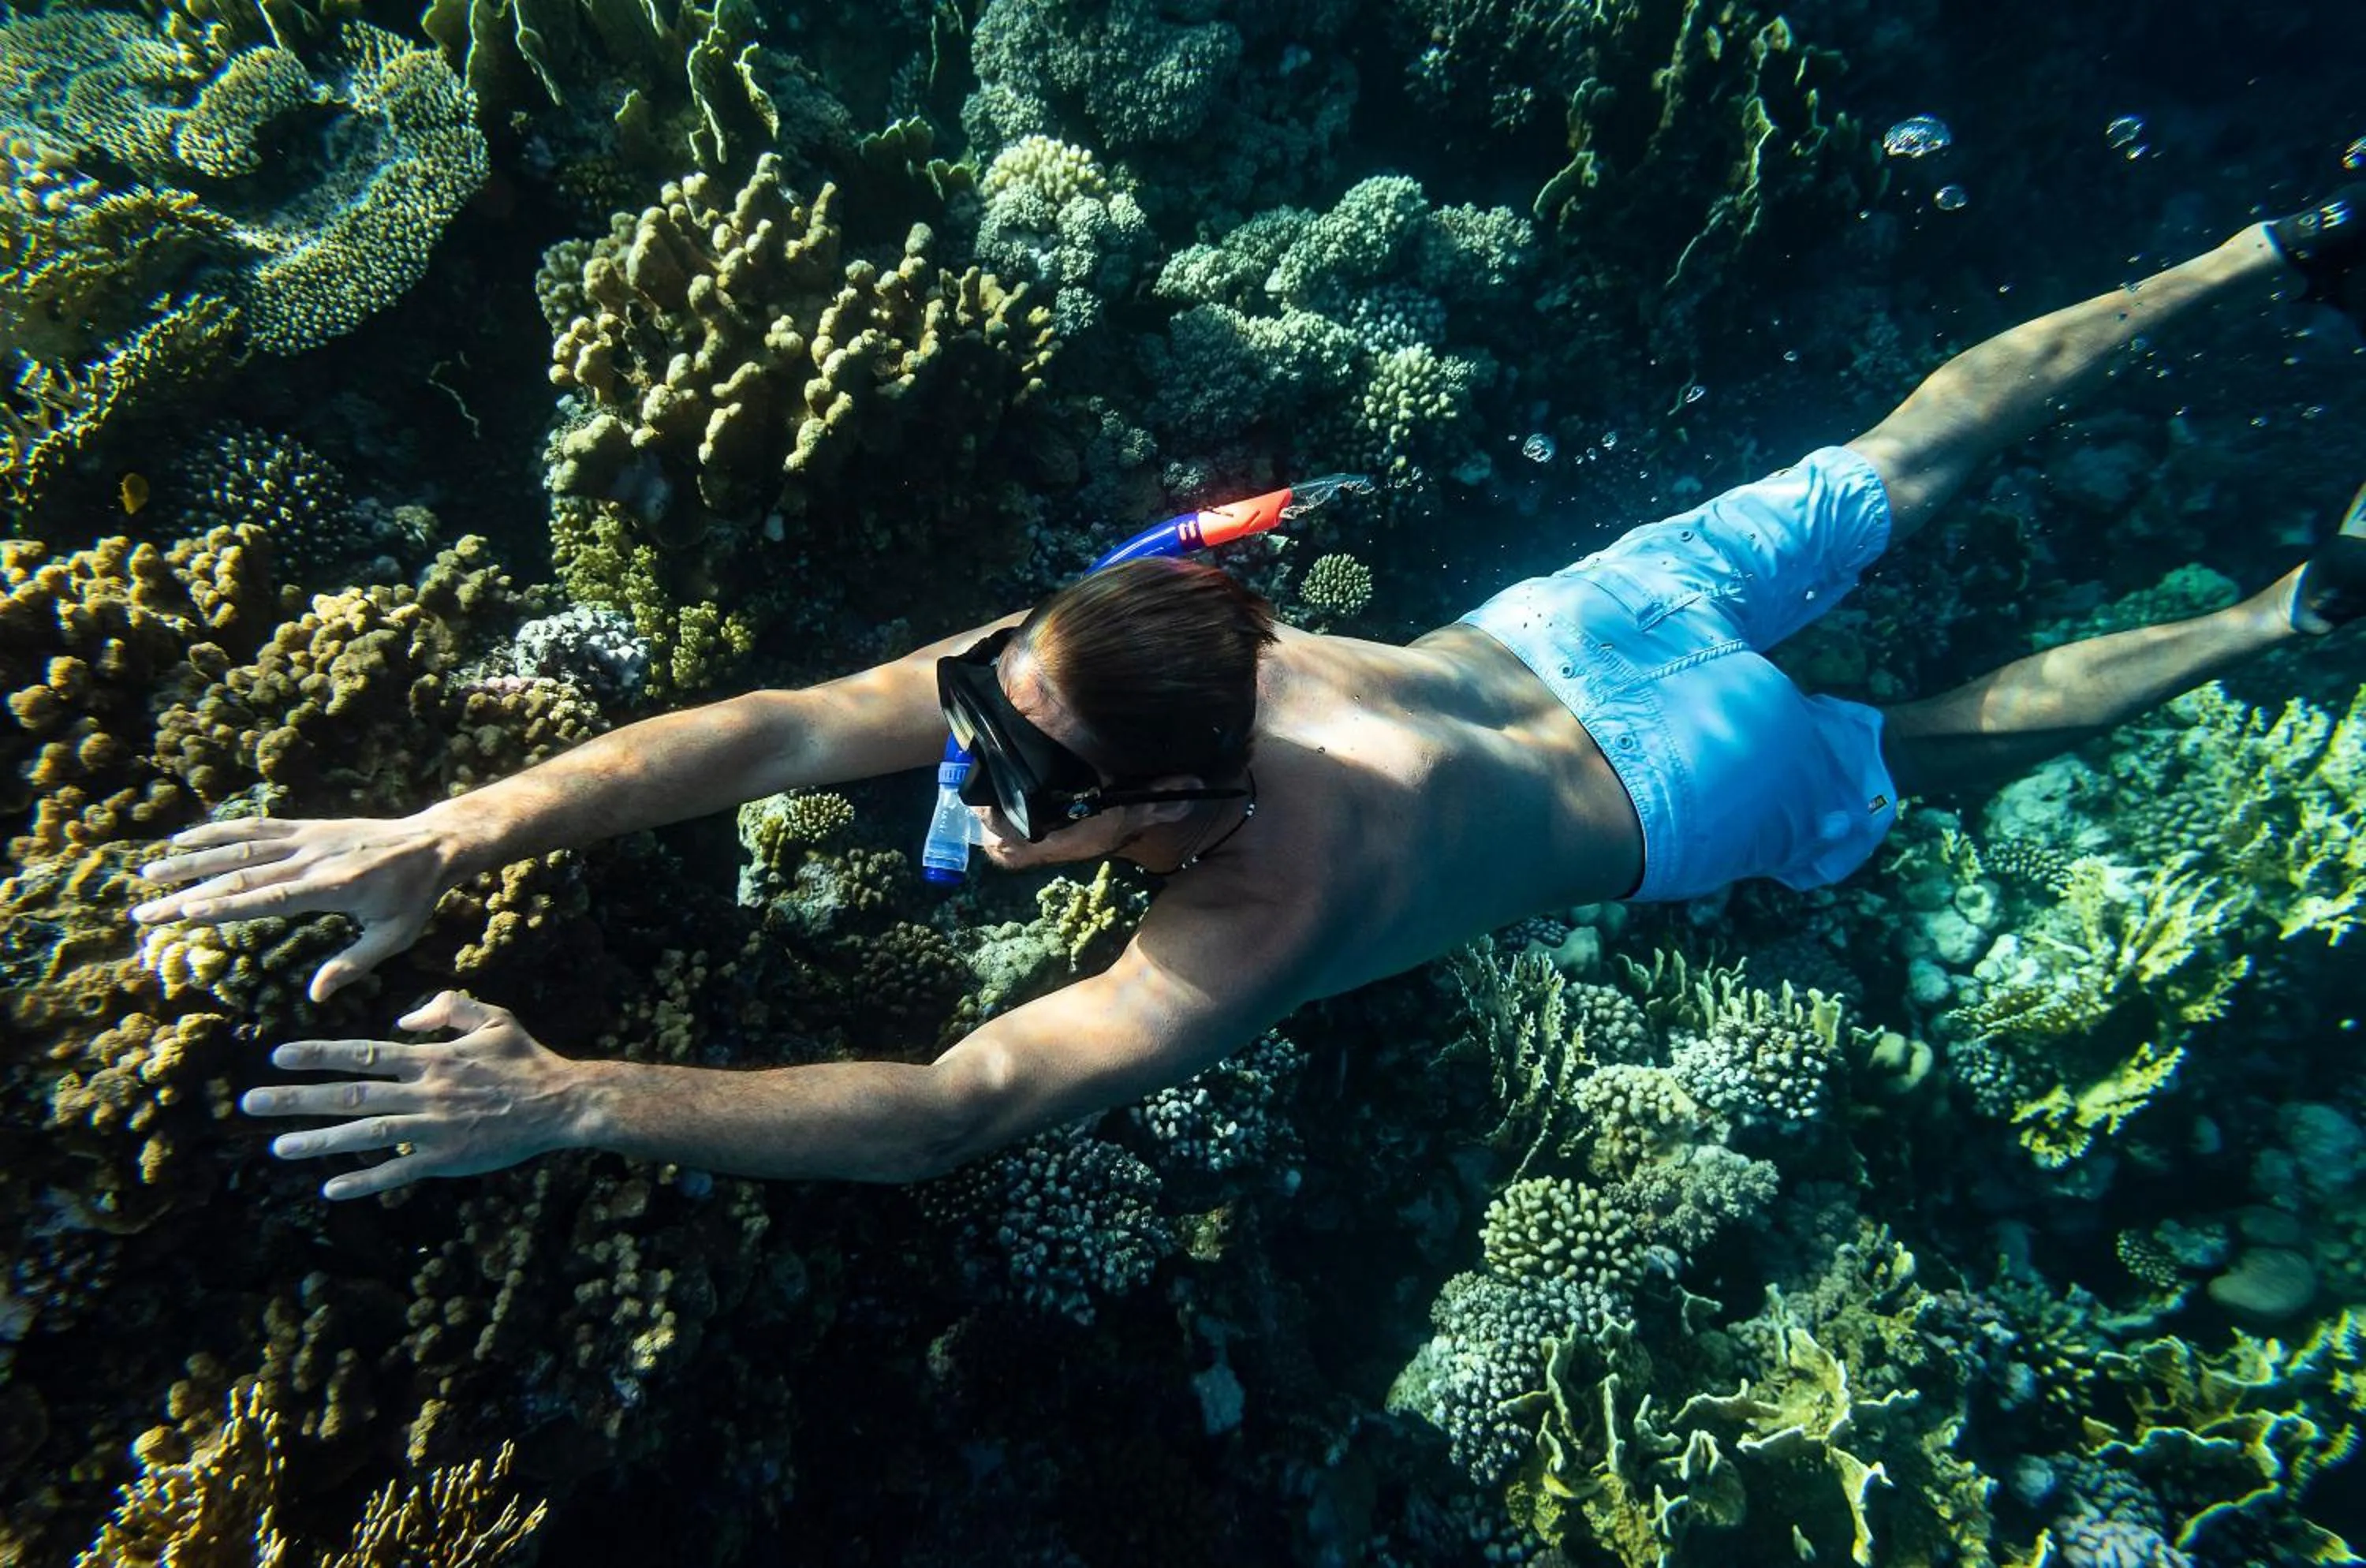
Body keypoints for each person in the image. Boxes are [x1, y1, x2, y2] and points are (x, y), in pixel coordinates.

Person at [132, 192, 2366, 1203]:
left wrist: (576, 1092)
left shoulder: (1259, 912)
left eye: (1020, 785)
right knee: (1895, 460)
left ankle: (2278, 617)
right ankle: (2273, 243)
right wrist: (455, 828)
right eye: (981, 719)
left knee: (1921, 744)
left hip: (1680, 768)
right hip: (1574, 626)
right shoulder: (1136, 647)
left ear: (1173, 805)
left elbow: (954, 1109)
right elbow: (785, 727)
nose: (968, 778)